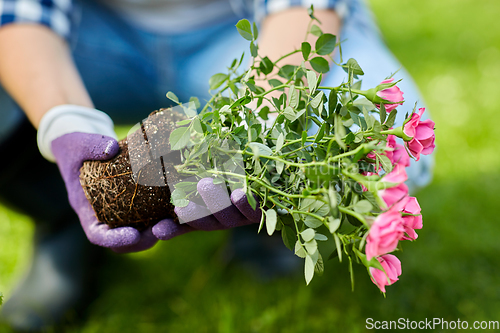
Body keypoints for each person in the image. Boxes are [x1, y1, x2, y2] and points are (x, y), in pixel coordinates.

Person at [0, 0, 434, 330]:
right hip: (94, 37)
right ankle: (62, 219)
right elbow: (20, 11)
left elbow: (300, 8)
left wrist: (256, 132)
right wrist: (64, 121)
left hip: (245, 32)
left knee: (382, 138)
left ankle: (268, 218)